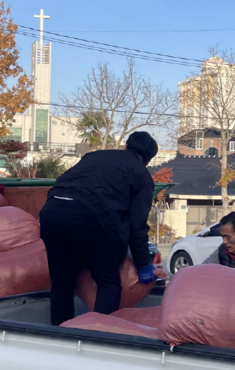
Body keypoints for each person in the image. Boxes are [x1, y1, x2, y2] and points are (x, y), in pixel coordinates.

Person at [39, 132, 161, 326]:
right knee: (109, 283)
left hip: (52, 211)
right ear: (147, 159)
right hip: (89, 216)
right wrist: (143, 263)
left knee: (61, 283)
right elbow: (137, 226)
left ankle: (60, 336)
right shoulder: (141, 174)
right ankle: (98, 338)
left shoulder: (95, 156)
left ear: (126, 146)